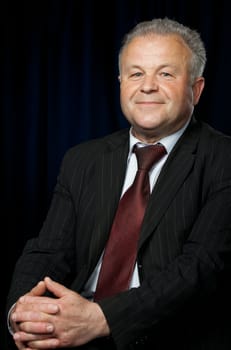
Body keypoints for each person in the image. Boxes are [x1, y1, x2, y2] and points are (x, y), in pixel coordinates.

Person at [6, 17, 231, 350]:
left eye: (165, 74)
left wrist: (101, 318)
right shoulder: (83, 159)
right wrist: (23, 311)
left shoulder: (223, 158)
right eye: (136, 73)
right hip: (73, 333)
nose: (148, 86)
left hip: (170, 336)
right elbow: (49, 250)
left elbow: (202, 267)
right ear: (121, 83)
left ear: (196, 90)